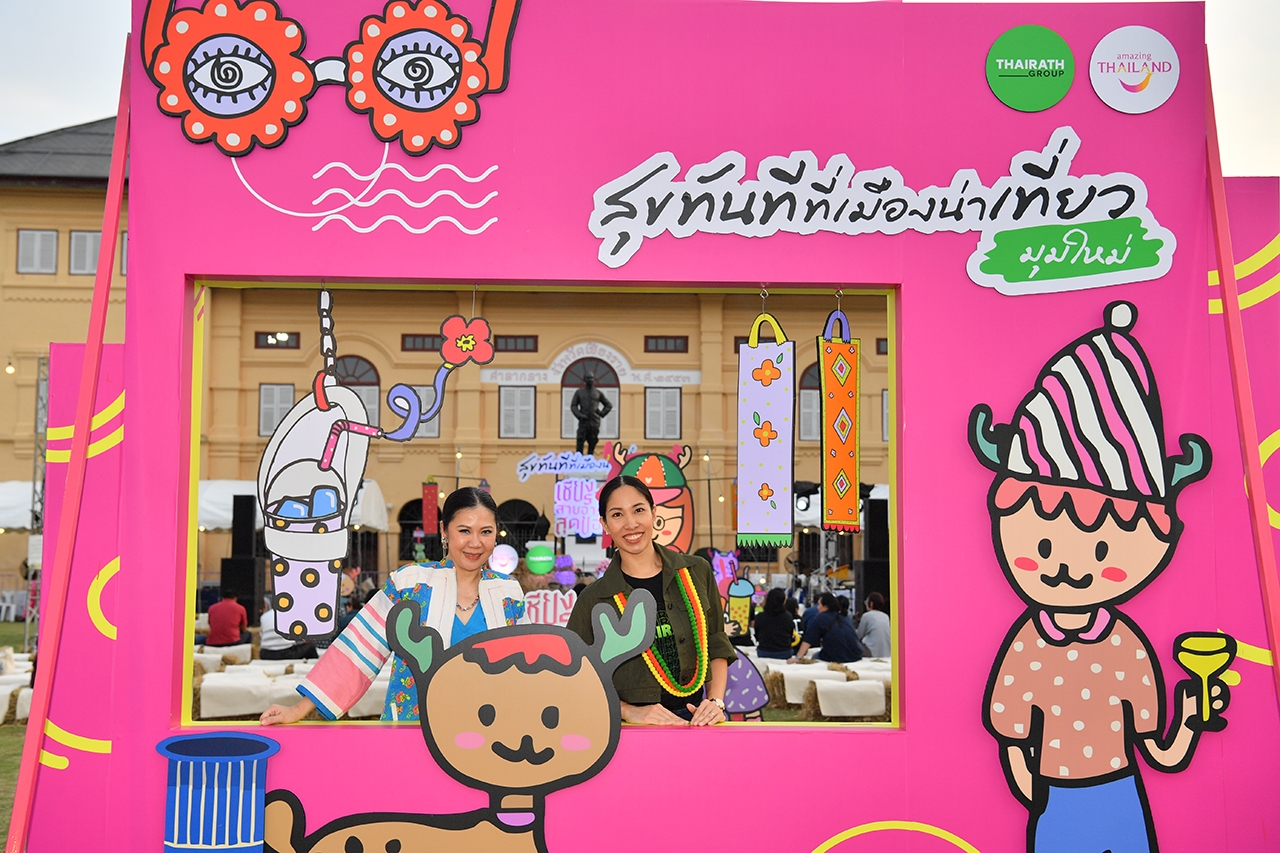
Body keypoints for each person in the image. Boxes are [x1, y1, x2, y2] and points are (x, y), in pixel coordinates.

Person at [260, 487, 528, 724]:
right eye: (464, 531)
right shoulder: (410, 584)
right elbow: (359, 647)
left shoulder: (508, 593)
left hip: (490, 735)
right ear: (444, 531)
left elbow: (526, 666)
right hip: (414, 729)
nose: (475, 543)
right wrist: (298, 709)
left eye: (486, 532)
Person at [566, 476, 735, 726]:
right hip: (629, 729)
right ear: (604, 524)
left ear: (654, 513)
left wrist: (715, 702)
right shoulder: (593, 599)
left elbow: (716, 640)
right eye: (617, 515)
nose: (631, 524)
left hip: (697, 721)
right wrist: (627, 711)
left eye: (638, 510)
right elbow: (574, 673)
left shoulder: (696, 572)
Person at [790, 593, 863, 663]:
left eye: (819, 604)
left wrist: (798, 657)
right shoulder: (846, 617)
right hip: (856, 655)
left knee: (815, 656)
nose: (817, 607)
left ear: (826, 606)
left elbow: (808, 640)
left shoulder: (820, 617)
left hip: (837, 657)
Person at [259, 596, 318, 661]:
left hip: (266, 654)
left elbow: (261, 636)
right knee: (311, 647)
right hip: (286, 653)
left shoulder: (263, 617)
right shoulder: (291, 615)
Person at [569, 372, 612, 456]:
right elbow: (573, 406)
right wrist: (579, 415)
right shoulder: (579, 392)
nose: (590, 379)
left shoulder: (598, 393)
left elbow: (608, 405)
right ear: (584, 380)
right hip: (583, 421)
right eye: (588, 378)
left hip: (594, 421)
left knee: (593, 441)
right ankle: (579, 458)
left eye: (591, 378)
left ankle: (590, 457)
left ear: (594, 379)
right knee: (580, 439)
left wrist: (602, 413)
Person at [752, 588, 797, 660]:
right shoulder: (788, 616)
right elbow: (790, 633)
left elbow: (757, 634)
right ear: (783, 601)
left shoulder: (759, 616)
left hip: (764, 651)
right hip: (784, 652)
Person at [857, 592, 892, 658]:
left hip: (871, 651)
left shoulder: (866, 616)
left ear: (871, 604)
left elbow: (859, 636)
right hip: (886, 652)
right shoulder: (885, 616)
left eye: (866, 602)